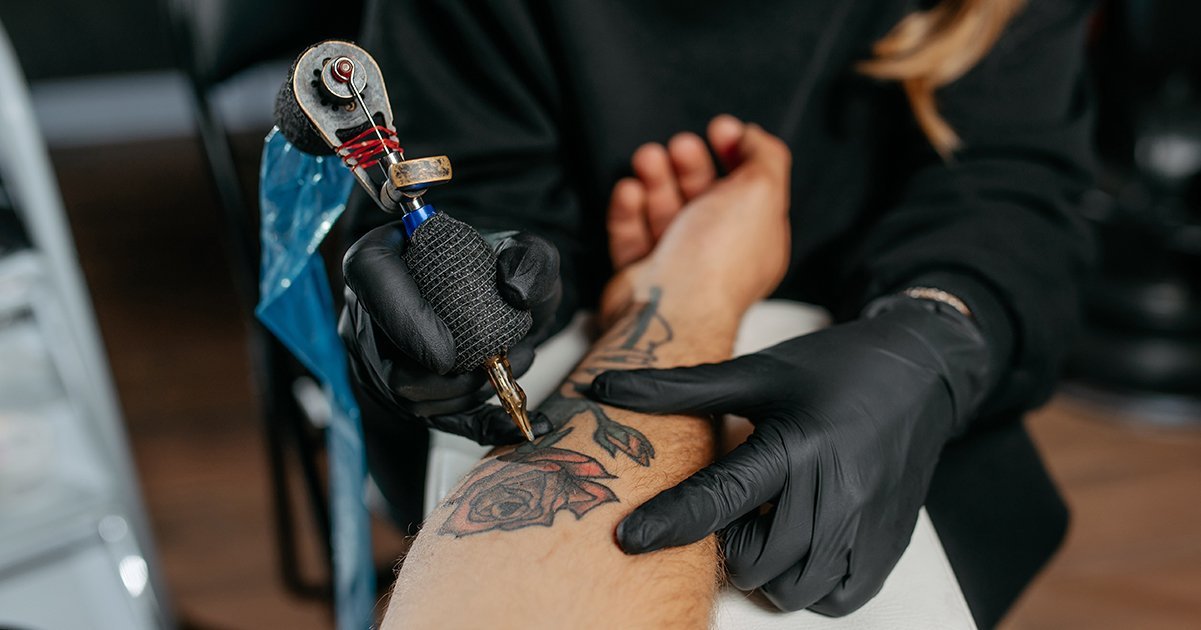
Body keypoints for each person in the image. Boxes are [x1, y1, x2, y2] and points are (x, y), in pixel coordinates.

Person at [339, 1, 1095, 626]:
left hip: (877, 374)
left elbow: (1011, 178)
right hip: (572, 318)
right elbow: (464, 176)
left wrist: (935, 329)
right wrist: (466, 284)